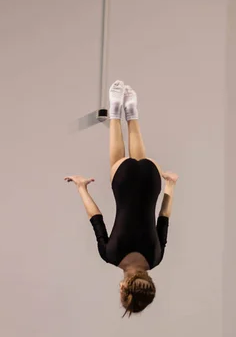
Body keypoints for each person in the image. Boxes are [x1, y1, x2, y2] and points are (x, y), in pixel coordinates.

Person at [65, 80, 178, 315]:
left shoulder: (157, 258)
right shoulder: (111, 255)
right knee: (119, 161)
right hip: (124, 183)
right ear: (124, 286)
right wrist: (82, 188)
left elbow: (164, 219)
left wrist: (170, 186)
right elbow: (96, 217)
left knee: (140, 159)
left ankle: (132, 113)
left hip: (152, 180)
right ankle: (115, 111)